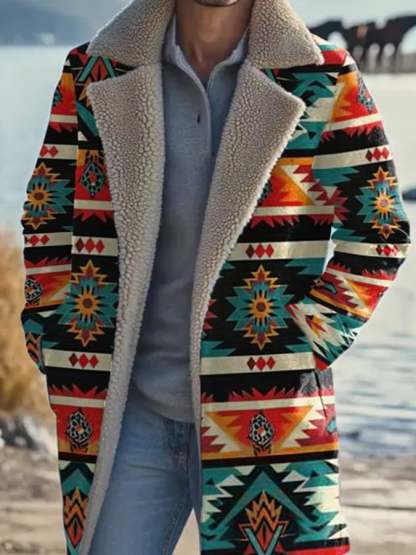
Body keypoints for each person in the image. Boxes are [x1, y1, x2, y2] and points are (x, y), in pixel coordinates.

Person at [19, 0, 411, 554]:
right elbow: (46, 215)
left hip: (266, 409)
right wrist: (51, 335)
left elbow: (379, 231)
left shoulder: (324, 78)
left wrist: (308, 339)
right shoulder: (93, 71)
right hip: (122, 415)